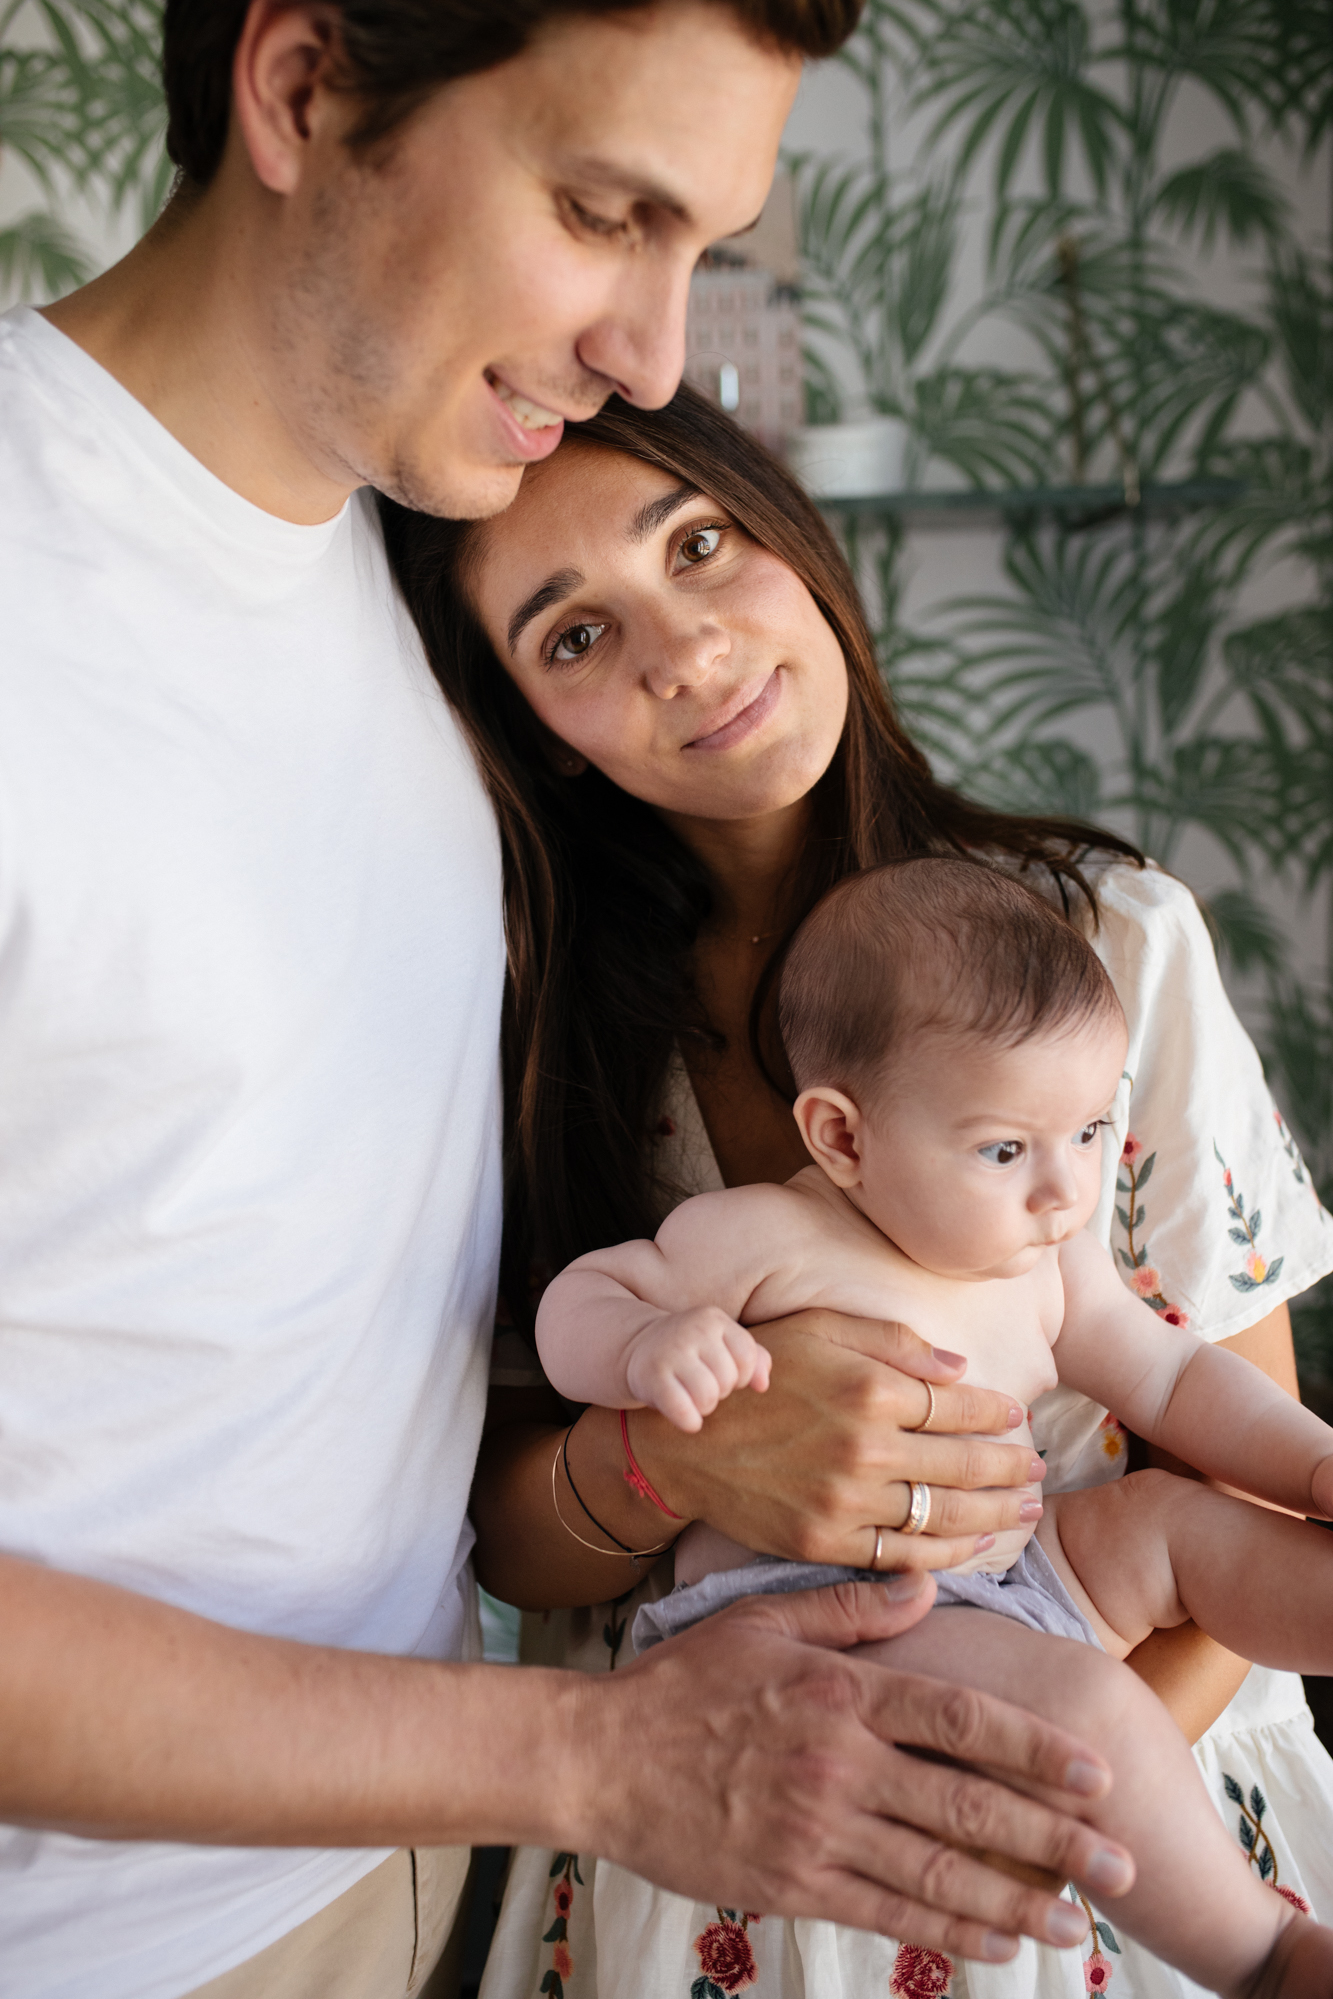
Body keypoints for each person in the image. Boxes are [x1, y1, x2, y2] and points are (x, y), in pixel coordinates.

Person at [0, 2, 1133, 1995]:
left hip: (445, 1872)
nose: (658, 357)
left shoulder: (416, 564)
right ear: (301, 88)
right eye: (608, 214)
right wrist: (594, 1757)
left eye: (700, 245)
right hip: (115, 1936)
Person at [381, 385, 1333, 1999]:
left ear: (793, 536)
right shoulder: (538, 1037)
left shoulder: (1107, 950)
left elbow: (1214, 1447)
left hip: (1127, 1804)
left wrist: (1035, 1794)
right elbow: (507, 1539)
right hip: (725, 1802)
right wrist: (676, 1454)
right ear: (525, 722)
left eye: (699, 545)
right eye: (575, 637)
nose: (684, 650)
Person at [535, 853, 1333, 1997]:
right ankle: (1263, 1955)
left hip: (1014, 1575)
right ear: (843, 1138)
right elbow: (580, 1301)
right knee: (1092, 1707)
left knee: (1175, 1524)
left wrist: (1309, 1464)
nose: (1064, 1189)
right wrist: (644, 1345)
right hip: (826, 1629)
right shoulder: (762, 1236)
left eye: (1089, 1130)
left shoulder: (1047, 1260)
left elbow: (1170, 1380)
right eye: (1005, 1148)